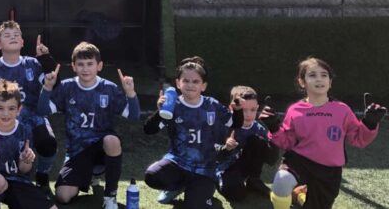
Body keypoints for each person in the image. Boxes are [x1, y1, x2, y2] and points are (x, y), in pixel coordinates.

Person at [261, 57, 386, 209]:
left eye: (324, 75)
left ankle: (299, 194)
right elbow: (287, 142)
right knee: (282, 180)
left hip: (329, 170)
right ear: (302, 82)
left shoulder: (342, 110)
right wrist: (273, 127)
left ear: (330, 82)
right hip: (299, 160)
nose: (319, 79)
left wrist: (370, 123)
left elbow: (358, 140)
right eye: (312, 75)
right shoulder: (295, 110)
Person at [37, 41, 141, 209]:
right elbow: (43, 111)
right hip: (77, 151)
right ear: (73, 66)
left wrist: (130, 93)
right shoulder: (66, 87)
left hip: (102, 147)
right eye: (81, 64)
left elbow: (134, 116)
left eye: (90, 64)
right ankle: (90, 174)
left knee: (112, 140)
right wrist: (47, 88)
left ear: (99, 66)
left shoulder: (109, 88)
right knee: (63, 197)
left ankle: (110, 196)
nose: (85, 68)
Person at [143, 56, 243, 208]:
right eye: (186, 81)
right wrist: (160, 112)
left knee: (194, 205)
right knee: (152, 176)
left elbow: (235, 123)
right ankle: (177, 186)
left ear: (203, 86)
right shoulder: (173, 105)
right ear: (178, 83)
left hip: (205, 168)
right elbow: (149, 130)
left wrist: (238, 111)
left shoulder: (212, 105)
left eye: (195, 81)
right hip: (178, 163)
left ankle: (201, 194)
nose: (190, 85)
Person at [0, 21, 58, 190]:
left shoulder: (32, 63)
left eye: (16, 35)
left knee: (48, 142)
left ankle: (42, 174)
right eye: (7, 35)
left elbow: (54, 83)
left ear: (22, 42)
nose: (13, 37)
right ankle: (2, 177)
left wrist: (45, 58)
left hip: (33, 116)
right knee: (3, 151)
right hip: (5, 118)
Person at [0, 80, 57, 209]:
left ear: (19, 109)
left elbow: (23, 170)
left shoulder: (24, 130)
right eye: (0, 108)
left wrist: (26, 160)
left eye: (11, 108)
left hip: (18, 181)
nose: (6, 113)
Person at [215, 86, 278, 202]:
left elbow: (271, 160)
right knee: (238, 196)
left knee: (257, 140)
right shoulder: (223, 126)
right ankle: (219, 181)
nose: (248, 115)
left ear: (257, 108)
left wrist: (274, 130)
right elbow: (212, 155)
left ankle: (253, 180)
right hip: (225, 168)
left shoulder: (258, 128)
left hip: (242, 167)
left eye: (253, 110)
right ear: (232, 108)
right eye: (243, 110)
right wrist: (226, 148)